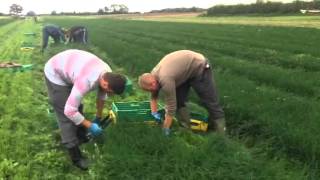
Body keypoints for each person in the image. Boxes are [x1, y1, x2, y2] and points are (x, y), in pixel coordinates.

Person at [44, 49, 127, 170]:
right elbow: (69, 111)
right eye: (111, 92)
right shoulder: (86, 81)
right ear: (105, 84)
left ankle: (80, 136)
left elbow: (101, 96)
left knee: (77, 106)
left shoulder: (107, 73)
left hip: (72, 67)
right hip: (55, 72)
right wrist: (89, 125)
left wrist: (98, 117)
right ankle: (76, 157)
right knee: (66, 117)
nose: (110, 95)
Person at [138, 50, 225, 136]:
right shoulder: (153, 76)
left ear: (153, 84)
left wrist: (165, 127)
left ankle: (220, 133)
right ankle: (186, 128)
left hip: (199, 66)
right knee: (179, 99)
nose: (152, 92)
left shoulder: (165, 79)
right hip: (184, 71)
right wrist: (154, 113)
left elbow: (171, 107)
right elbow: (153, 95)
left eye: (150, 90)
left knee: (210, 101)